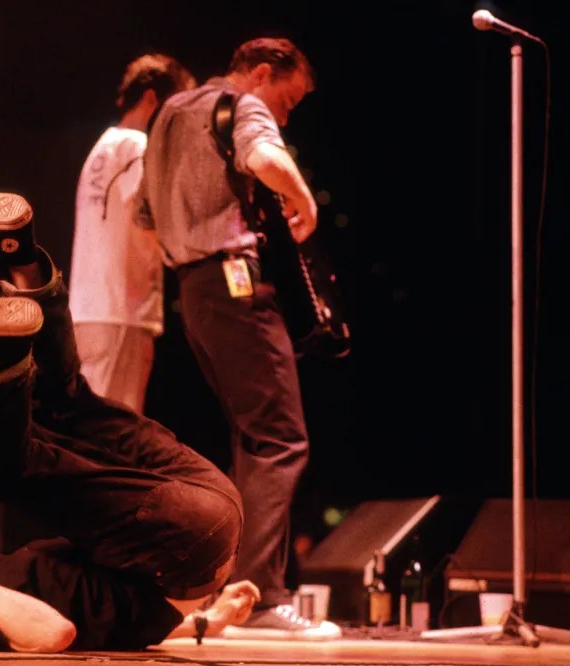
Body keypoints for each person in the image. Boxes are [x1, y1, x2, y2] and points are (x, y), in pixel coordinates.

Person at [0, 185, 259, 652]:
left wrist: (208, 622)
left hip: (193, 517)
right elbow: (55, 633)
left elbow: (106, 616)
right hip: (185, 537)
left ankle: (19, 257)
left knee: (60, 406)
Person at [136, 37, 341, 639]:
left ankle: (232, 590)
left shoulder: (167, 114)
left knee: (252, 440)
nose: (285, 115)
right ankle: (262, 597)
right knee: (280, 438)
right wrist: (303, 199)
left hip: (193, 292)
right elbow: (265, 156)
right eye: (287, 100)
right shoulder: (241, 104)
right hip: (233, 281)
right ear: (260, 74)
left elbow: (143, 215)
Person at [68, 54, 195, 412]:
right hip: (122, 307)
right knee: (115, 425)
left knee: (93, 418)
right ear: (152, 98)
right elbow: (151, 216)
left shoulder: (102, 148)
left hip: (90, 309)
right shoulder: (137, 148)